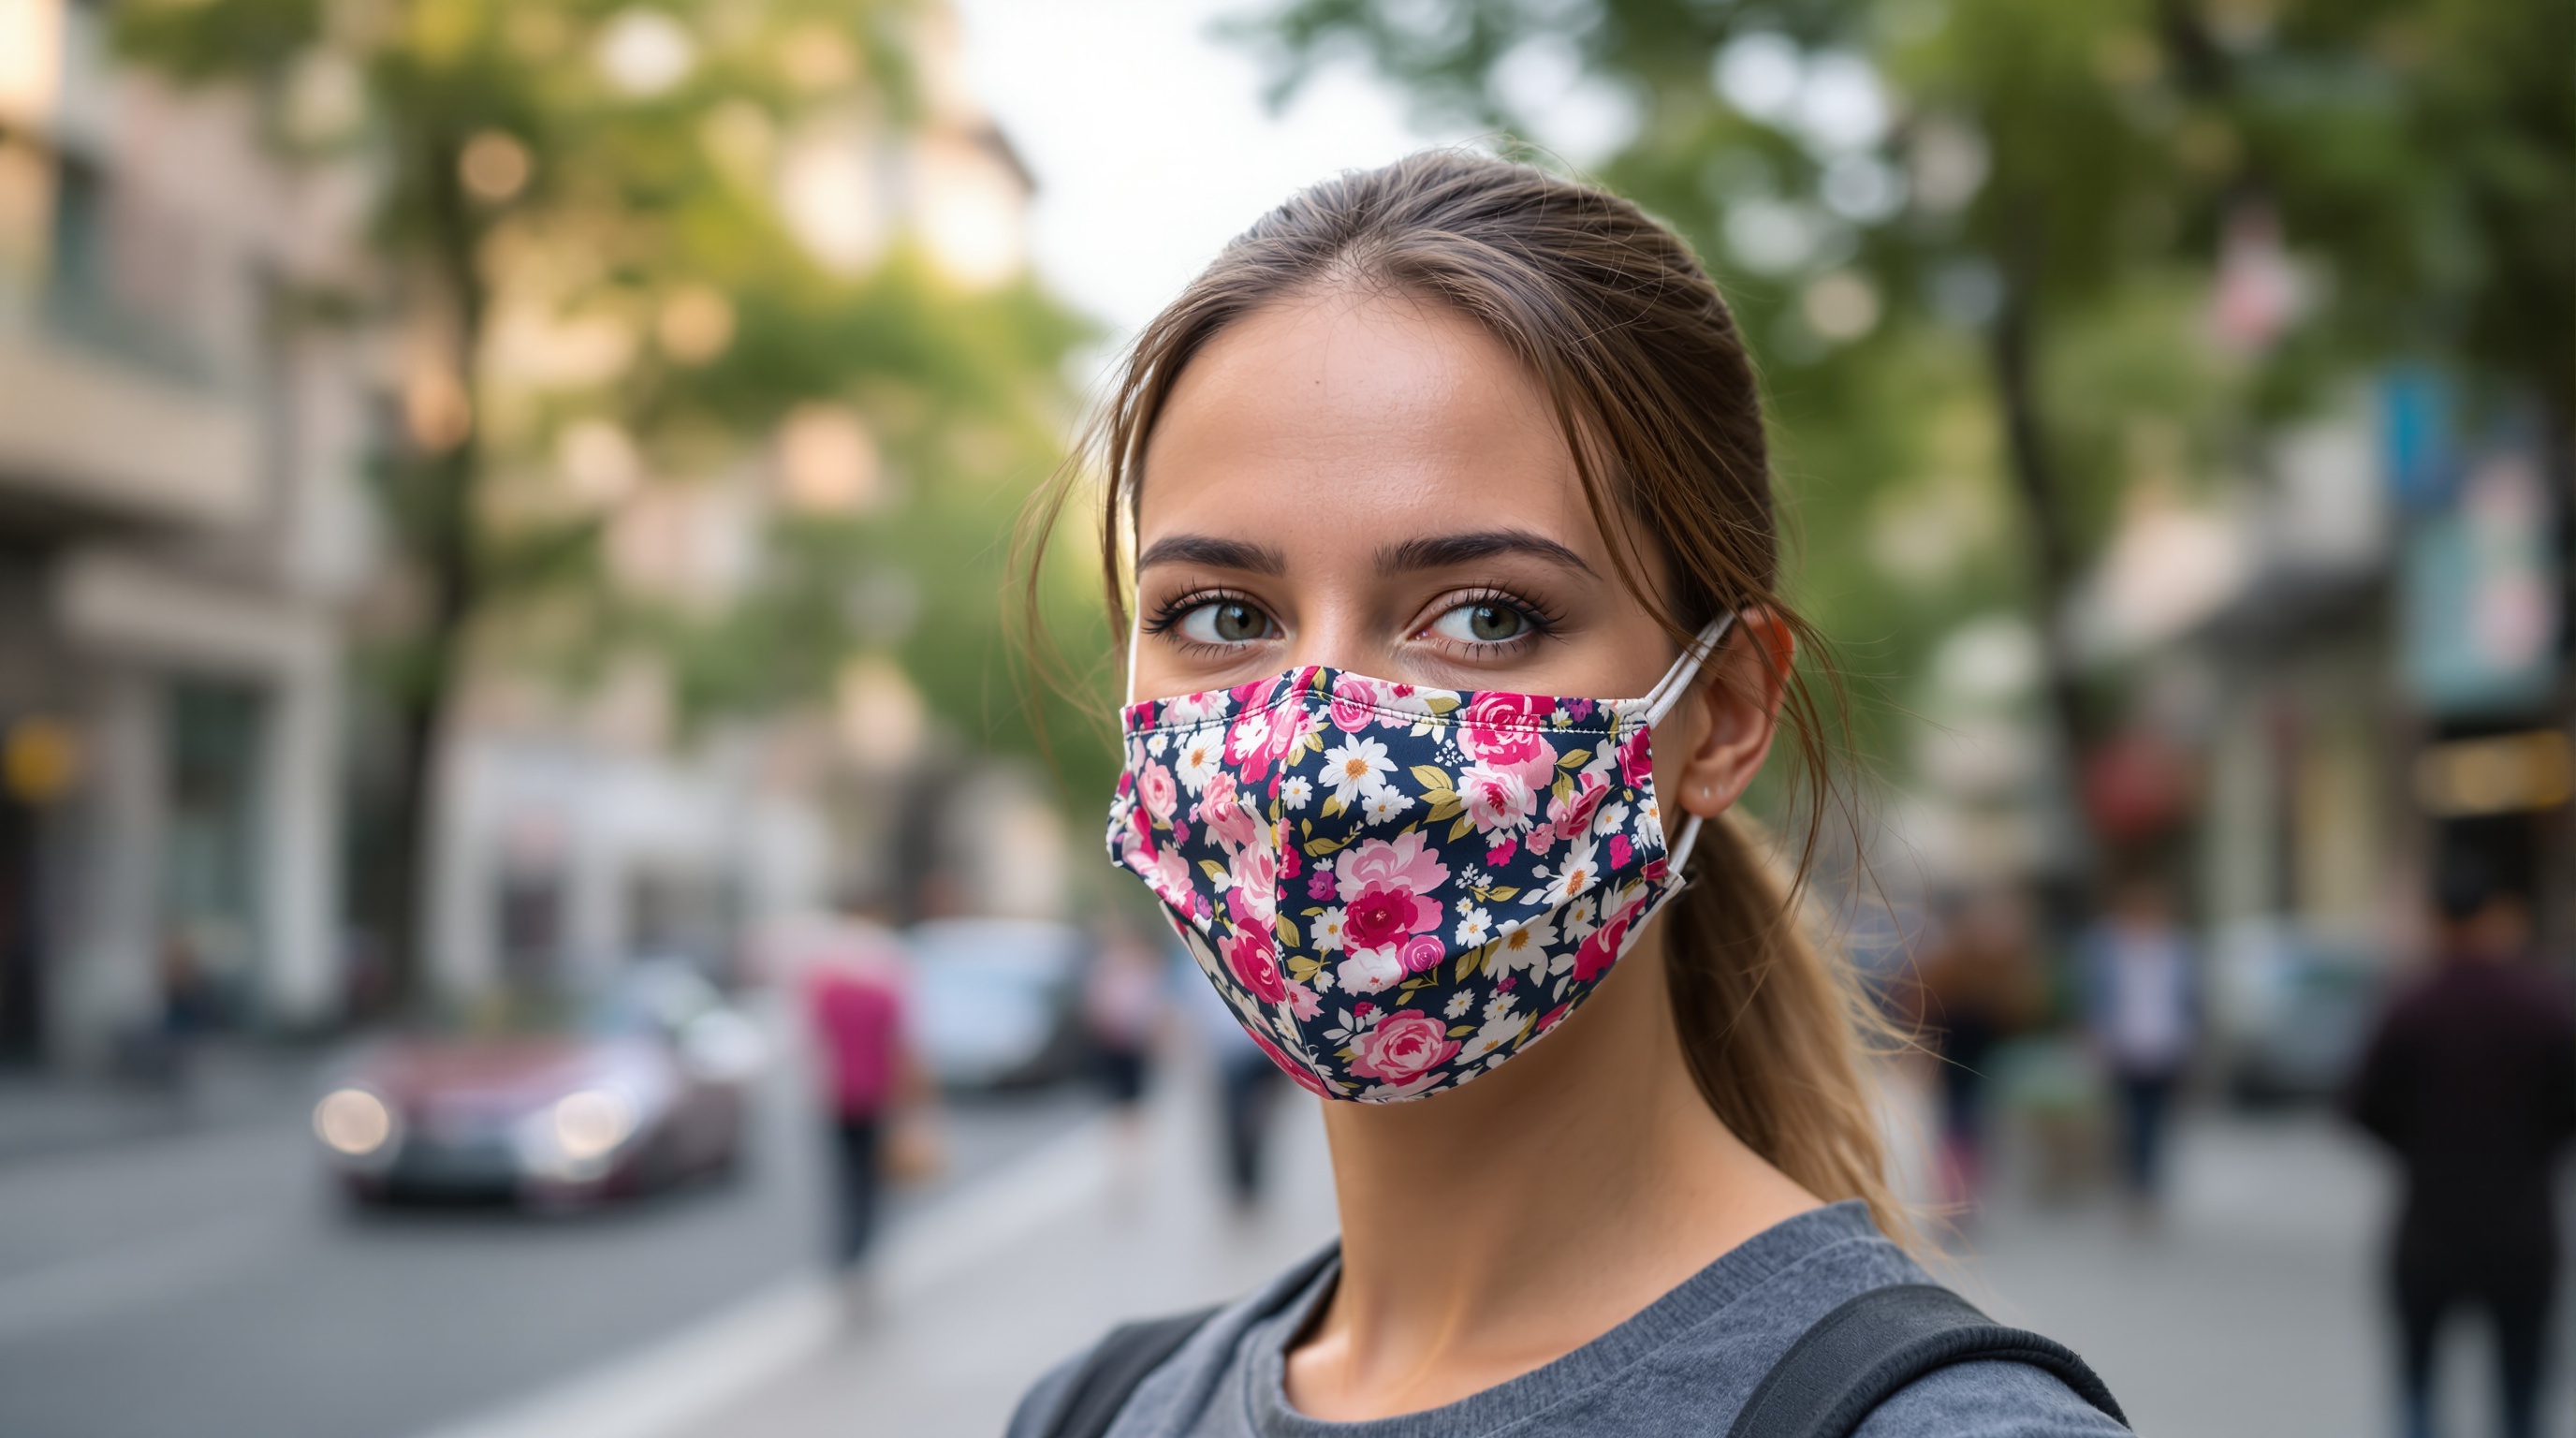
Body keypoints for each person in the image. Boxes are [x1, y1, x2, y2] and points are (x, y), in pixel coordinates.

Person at [1006, 153, 2125, 1436]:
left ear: (1725, 714)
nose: (1317, 748)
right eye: (1220, 613)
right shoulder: (1097, 1413)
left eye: (1485, 615)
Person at [2346, 857, 2576, 1438]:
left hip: (2429, 1232)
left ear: (2437, 921)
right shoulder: (2544, 1006)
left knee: (2418, 1388)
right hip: (2523, 1231)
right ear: (2499, 917)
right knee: (2521, 1397)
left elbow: (2359, 1106)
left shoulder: (2412, 1006)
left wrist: (2418, 1145)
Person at [1907, 885, 2043, 1213]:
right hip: (1953, 1058)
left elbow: (2023, 1015)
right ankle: (1955, 1192)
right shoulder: (1949, 965)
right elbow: (1923, 1010)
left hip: (1989, 1061)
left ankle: (1967, 1188)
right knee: (1959, 1123)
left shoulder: (2008, 969)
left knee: (1978, 1125)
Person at [795, 913, 918, 1272]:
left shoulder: (827, 992)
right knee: (869, 1177)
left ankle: (847, 1247)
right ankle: (863, 1244)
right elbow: (902, 1046)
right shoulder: (883, 994)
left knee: (843, 1175)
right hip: (876, 1095)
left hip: (837, 1095)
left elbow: (813, 1040)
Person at [2079, 875, 2198, 1221]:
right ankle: (2133, 1187)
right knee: (2127, 1122)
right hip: (2123, 1048)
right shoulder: (2104, 947)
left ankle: (2148, 1189)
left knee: (2156, 1123)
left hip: (2165, 1047)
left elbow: (2191, 1000)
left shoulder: (2177, 948)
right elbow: (2092, 997)